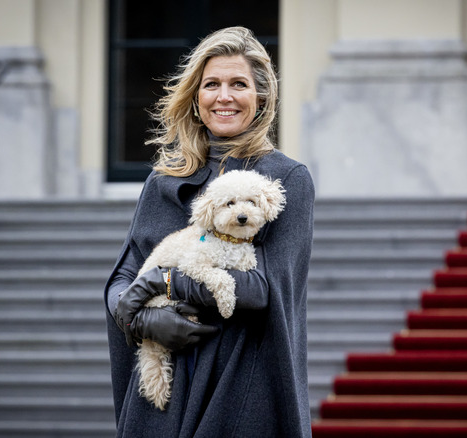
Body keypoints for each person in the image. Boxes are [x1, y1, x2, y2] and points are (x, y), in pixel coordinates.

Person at [104, 26, 315, 437]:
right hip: (162, 394)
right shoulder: (163, 180)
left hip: (239, 386)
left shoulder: (285, 179)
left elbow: (264, 291)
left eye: (239, 84)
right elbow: (122, 279)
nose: (224, 96)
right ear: (196, 99)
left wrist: (169, 280)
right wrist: (141, 321)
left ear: (260, 98)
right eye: (211, 84)